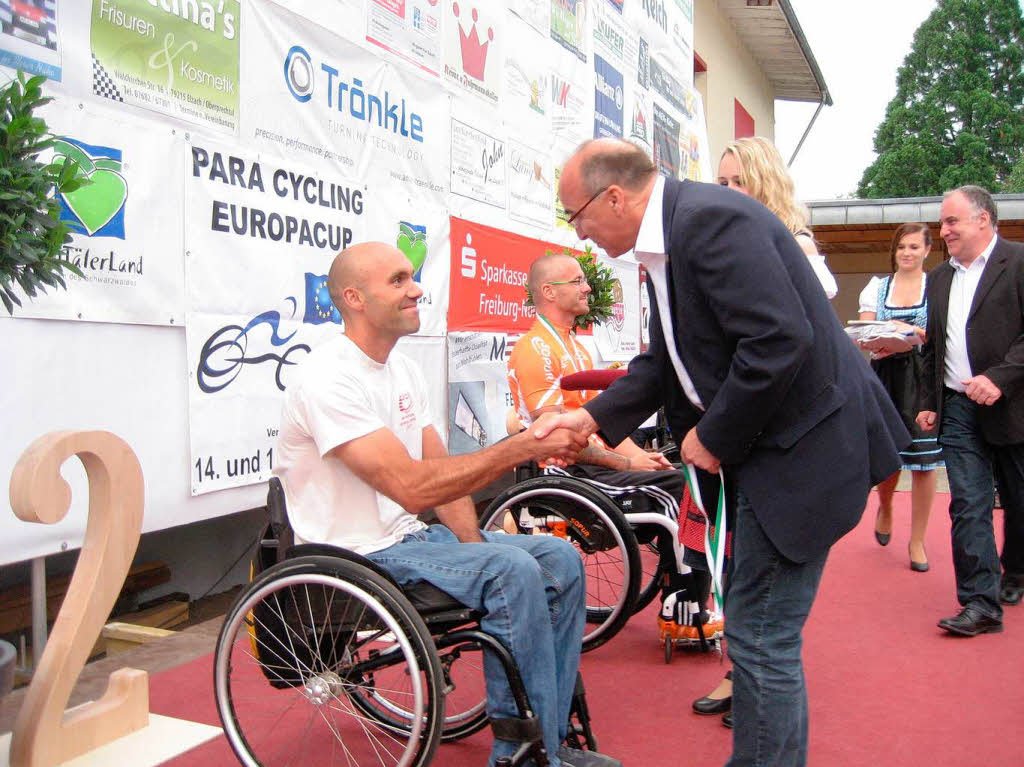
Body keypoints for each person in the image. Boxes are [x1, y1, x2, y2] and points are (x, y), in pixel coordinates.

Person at [543, 138, 908, 767]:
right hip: (772, 453)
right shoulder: (672, 237)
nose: (581, 237)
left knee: (761, 639)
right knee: (760, 636)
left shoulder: (708, 223)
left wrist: (711, 439)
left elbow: (776, 341)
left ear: (614, 197)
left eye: (575, 217)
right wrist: (590, 418)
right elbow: (666, 364)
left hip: (798, 456)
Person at [273, 241, 621, 767]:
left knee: (559, 558)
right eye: (397, 280)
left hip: (409, 540)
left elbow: (445, 479)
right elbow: (412, 488)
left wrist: (474, 547)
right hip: (354, 555)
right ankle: (520, 757)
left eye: (412, 276)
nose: (416, 288)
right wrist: (524, 446)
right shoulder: (327, 377)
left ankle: (548, 741)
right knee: (509, 570)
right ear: (355, 297)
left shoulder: (403, 370)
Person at [693, 136, 843, 724]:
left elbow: (789, 341)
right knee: (734, 562)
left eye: (735, 183)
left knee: (765, 591)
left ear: (763, 183)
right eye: (721, 183)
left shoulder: (793, 245)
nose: (724, 193)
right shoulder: (727, 244)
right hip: (739, 428)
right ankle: (742, 676)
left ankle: (753, 686)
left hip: (779, 434)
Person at [508, 251, 722, 637]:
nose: (587, 287)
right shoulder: (534, 348)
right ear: (548, 292)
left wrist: (641, 457)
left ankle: (686, 602)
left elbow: (600, 425)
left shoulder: (577, 347)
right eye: (576, 281)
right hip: (562, 470)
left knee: (680, 477)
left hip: (592, 463)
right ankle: (685, 611)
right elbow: (555, 440)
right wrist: (625, 465)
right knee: (678, 492)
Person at [916, 186, 1024, 636]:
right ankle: (980, 602)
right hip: (958, 407)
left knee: (1019, 502)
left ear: (983, 219)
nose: (944, 231)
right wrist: (928, 402)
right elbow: (933, 345)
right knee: (969, 503)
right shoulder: (940, 277)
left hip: (1015, 406)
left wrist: (999, 378)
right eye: (943, 223)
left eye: (951, 222)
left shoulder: (1018, 262)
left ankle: (1014, 568)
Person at [858, 223, 943, 571]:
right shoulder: (878, 288)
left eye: (913, 247)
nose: (906, 253)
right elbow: (863, 333)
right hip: (886, 374)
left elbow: (940, 334)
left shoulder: (936, 286)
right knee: (889, 454)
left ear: (926, 250)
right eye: (900, 248)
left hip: (923, 377)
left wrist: (912, 332)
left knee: (926, 461)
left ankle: (917, 540)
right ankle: (887, 505)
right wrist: (882, 335)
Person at [717, 136, 838, 299]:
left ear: (766, 185)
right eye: (724, 183)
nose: (729, 190)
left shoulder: (797, 244)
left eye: (739, 182)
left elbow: (815, 316)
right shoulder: (717, 240)